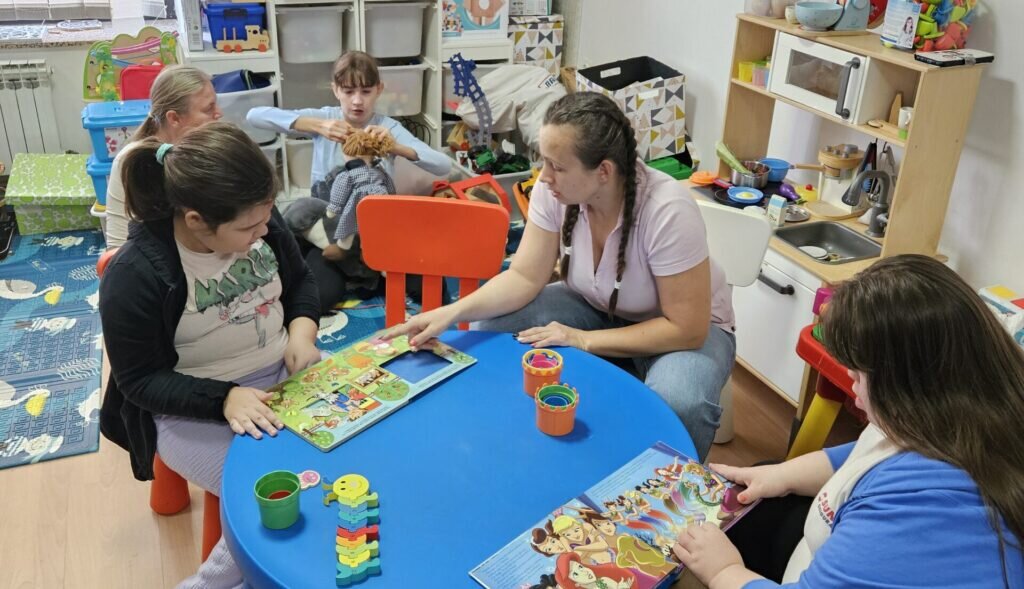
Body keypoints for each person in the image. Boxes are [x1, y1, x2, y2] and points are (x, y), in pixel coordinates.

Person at [385, 91, 735, 460]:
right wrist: (451, 313)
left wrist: (582, 340)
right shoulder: (554, 191)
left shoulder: (667, 210)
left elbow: (687, 328)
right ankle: (518, 441)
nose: (545, 176)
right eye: (544, 161)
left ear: (603, 171)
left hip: (679, 328)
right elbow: (523, 276)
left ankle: (674, 499)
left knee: (681, 402)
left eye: (558, 167)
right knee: (493, 324)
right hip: (597, 305)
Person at [672, 255, 1024, 588]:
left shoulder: (926, 511)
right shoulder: (964, 409)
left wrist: (724, 571)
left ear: (907, 388)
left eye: (857, 376)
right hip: (832, 548)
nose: (852, 390)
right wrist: (780, 475)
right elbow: (866, 452)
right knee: (764, 479)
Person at [98, 122, 321, 588]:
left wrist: (302, 332)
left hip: (284, 380)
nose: (264, 234)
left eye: (265, 220)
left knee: (342, 465)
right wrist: (223, 399)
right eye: (248, 228)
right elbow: (138, 381)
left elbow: (301, 282)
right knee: (282, 494)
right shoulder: (137, 273)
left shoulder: (258, 219)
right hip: (191, 411)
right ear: (197, 220)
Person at [247, 51, 451, 312]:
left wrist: (395, 146)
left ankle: (371, 270)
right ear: (335, 90)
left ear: (379, 90)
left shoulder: (387, 126)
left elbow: (442, 165)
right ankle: (362, 272)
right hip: (331, 234)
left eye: (366, 91)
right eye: (348, 91)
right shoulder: (326, 118)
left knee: (433, 286)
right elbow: (255, 115)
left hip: (378, 231)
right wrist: (316, 125)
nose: (357, 101)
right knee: (317, 296)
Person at [104, 65, 222, 249]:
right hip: (152, 262)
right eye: (209, 109)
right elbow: (118, 245)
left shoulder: (207, 148)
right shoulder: (137, 162)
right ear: (174, 118)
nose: (219, 113)